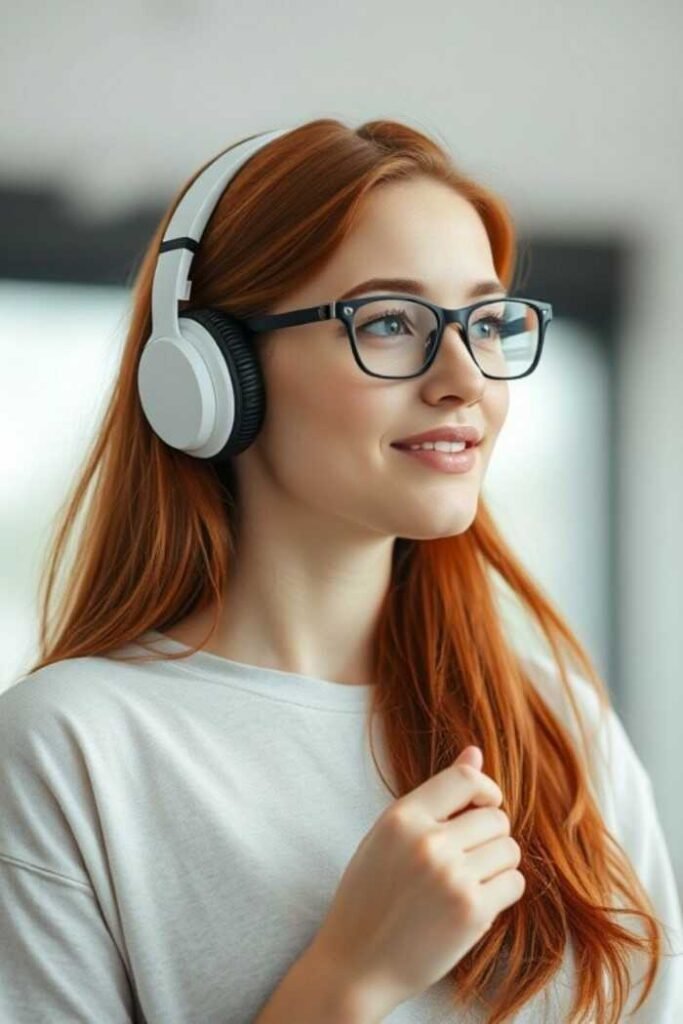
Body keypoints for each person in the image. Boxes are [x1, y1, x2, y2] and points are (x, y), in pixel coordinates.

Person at [0, 117, 681, 1023]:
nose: (465, 379)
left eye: (486, 321)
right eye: (391, 322)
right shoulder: (68, 750)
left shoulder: (559, 728)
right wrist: (347, 978)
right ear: (214, 373)